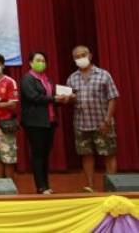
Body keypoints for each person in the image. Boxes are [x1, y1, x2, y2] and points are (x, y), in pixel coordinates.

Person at [67, 45, 119, 193]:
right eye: (77, 57)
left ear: (90, 56)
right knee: (86, 155)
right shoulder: (72, 78)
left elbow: (113, 97)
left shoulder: (103, 75)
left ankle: (112, 187)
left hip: (102, 123)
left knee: (108, 154)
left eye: (83, 55)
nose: (80, 58)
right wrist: (68, 99)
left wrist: (107, 120)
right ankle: (90, 186)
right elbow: (71, 100)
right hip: (81, 124)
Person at [21, 52, 72, 194]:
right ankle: (41, 186)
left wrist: (63, 99)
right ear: (31, 63)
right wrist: (55, 99)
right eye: (38, 60)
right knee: (38, 155)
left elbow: (52, 98)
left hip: (49, 121)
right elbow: (34, 97)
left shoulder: (46, 78)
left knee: (44, 154)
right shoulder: (27, 79)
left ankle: (46, 185)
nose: (41, 63)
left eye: (43, 61)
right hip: (35, 122)